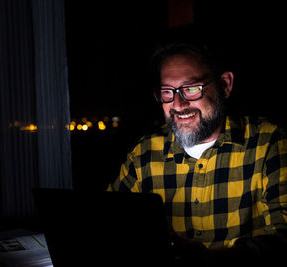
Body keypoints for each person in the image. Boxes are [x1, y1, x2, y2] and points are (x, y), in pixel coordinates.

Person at [107, 31, 287, 265]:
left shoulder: (268, 142)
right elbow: (107, 223)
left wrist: (213, 260)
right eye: (167, 92)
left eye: (191, 89)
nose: (178, 105)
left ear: (225, 85)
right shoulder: (145, 154)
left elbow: (284, 239)